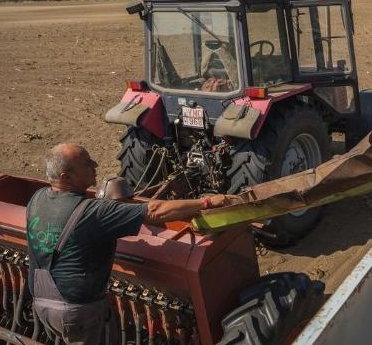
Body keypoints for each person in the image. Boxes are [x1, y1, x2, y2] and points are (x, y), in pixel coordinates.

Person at [27, 143, 233, 345]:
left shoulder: (37, 198)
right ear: (66, 177)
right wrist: (207, 202)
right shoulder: (93, 212)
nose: (95, 165)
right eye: (87, 164)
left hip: (42, 304)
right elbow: (155, 212)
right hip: (78, 314)